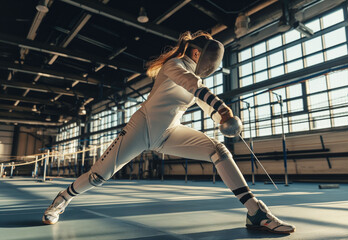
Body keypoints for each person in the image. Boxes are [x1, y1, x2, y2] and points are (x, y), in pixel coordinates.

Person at [42, 31, 295, 234]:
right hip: (141, 128)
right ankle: (61, 200)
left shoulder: (194, 74)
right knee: (98, 175)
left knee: (217, 149)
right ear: (197, 53)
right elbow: (193, 86)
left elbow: (205, 102)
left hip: (169, 133)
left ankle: (255, 212)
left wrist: (221, 117)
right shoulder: (174, 66)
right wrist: (223, 107)